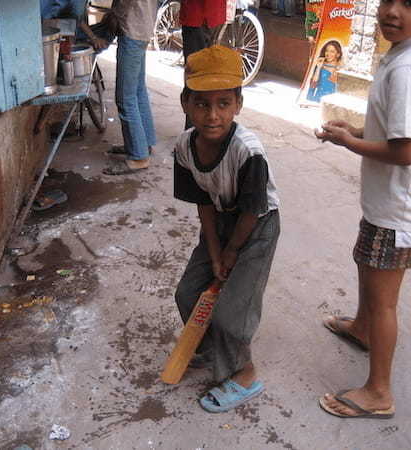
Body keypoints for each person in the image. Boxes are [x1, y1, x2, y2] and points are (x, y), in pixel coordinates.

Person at [314, 0, 411, 419]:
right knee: (366, 265)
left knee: (383, 302)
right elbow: (397, 129)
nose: (392, 11)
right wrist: (355, 130)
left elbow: (405, 150)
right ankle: (361, 329)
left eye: (409, 3)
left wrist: (348, 142)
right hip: (389, 202)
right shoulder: (405, 53)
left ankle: (379, 392)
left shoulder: (408, 69)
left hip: (400, 208)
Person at [173, 45, 280, 413]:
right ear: (185, 103)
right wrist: (216, 251)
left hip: (258, 224)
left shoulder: (248, 151)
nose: (212, 115)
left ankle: (245, 373)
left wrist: (232, 254)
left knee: (233, 311)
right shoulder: (184, 147)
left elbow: (252, 210)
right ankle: (205, 349)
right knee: (188, 291)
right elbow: (203, 201)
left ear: (238, 104)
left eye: (223, 103)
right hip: (220, 221)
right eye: (201, 104)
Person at [100, 0, 158, 176]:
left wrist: (114, 14)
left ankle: (138, 158)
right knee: (138, 92)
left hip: (132, 28)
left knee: (125, 98)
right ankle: (142, 143)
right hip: (143, 26)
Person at [179, 0, 227, 129]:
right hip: (213, 14)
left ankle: (194, 129)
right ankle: (202, 125)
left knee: (195, 76)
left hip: (197, 14)